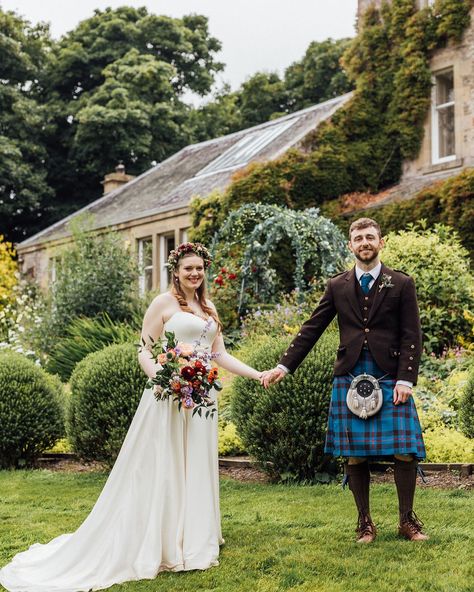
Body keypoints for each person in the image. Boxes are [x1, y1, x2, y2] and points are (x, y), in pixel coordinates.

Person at [0, 242, 263, 592]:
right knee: (165, 465)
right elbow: (145, 348)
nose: (195, 274)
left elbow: (219, 355)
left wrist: (258, 374)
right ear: (176, 271)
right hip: (168, 397)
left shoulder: (210, 307)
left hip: (201, 400)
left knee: (196, 464)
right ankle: (163, 541)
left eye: (199, 268)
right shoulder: (163, 303)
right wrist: (163, 378)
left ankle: (196, 538)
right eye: (188, 269)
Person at [262, 218, 428, 543]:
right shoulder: (337, 285)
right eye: (358, 238)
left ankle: (407, 521)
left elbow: (412, 334)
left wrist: (405, 379)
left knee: (406, 450)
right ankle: (365, 522)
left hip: (390, 376)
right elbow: (312, 327)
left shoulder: (401, 283)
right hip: (350, 375)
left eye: (370, 237)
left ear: (381, 243)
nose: (364, 242)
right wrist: (284, 365)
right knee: (355, 452)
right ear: (349, 246)